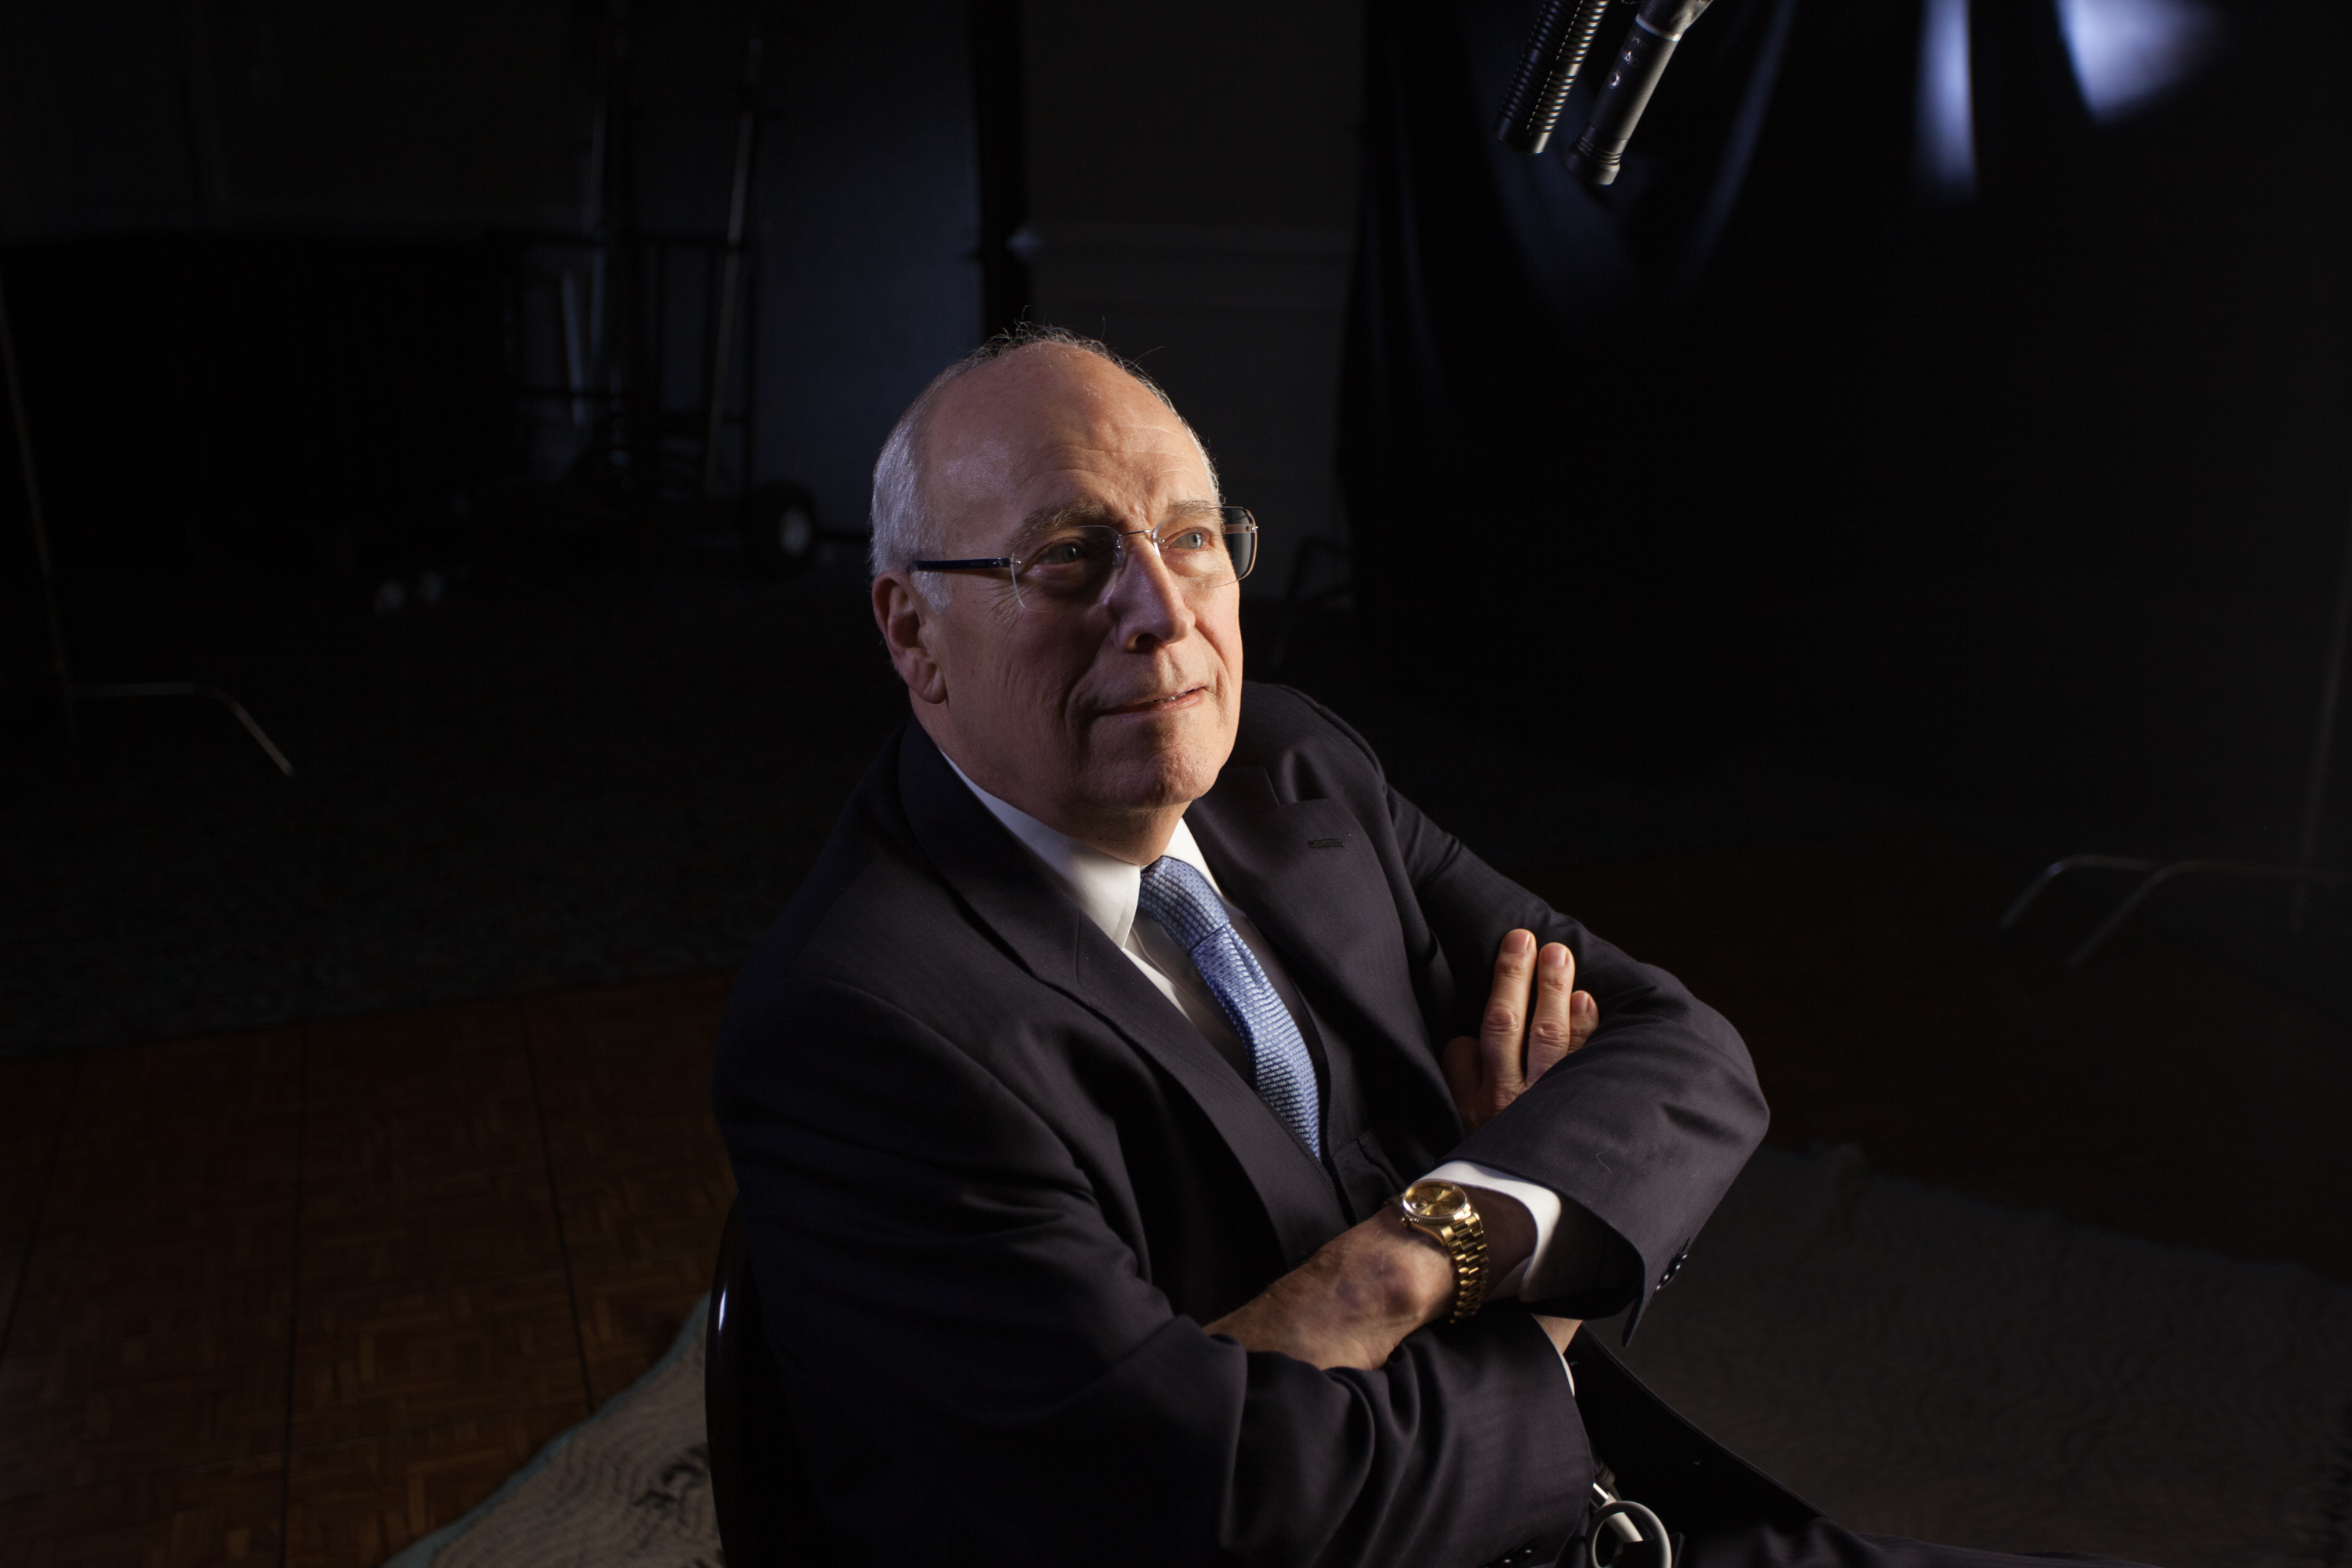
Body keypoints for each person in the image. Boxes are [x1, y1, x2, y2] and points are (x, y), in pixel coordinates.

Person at [711, 326, 2138, 1568]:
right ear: (915, 630)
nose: (1163, 612)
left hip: (1605, 1517)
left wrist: (1413, 1257)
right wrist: (1540, 1280)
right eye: (1071, 555)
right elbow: (1221, 1512)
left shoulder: (1289, 767)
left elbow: (1684, 1055)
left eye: (1195, 535)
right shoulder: (855, 1025)